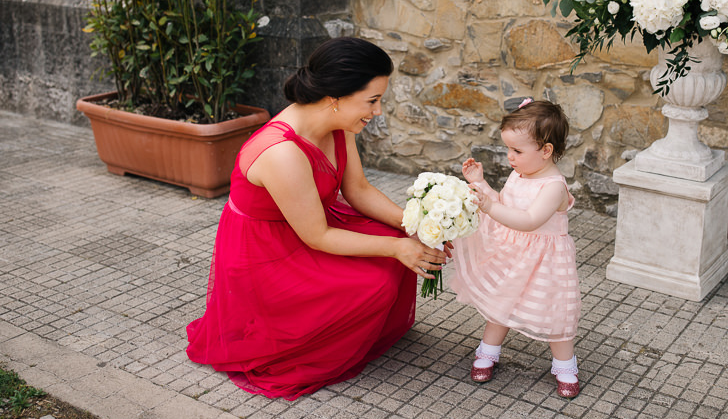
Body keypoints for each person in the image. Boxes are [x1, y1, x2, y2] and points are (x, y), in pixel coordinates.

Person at [185, 37, 448, 399]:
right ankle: (305, 338)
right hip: (269, 251)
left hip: (308, 224)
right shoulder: (281, 153)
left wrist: (415, 226)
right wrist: (397, 247)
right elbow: (318, 236)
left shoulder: (338, 123)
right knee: (376, 280)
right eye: (373, 100)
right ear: (335, 97)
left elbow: (358, 191)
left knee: (395, 247)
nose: (379, 111)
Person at [450, 99, 582, 398]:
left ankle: (565, 365)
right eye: (508, 148)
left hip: (546, 261)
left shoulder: (553, 186)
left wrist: (489, 207)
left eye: (517, 151)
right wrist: (481, 185)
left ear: (546, 151)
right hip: (513, 253)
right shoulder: (519, 174)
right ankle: (488, 351)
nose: (510, 157)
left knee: (556, 314)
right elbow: (504, 204)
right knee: (501, 301)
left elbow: (529, 220)